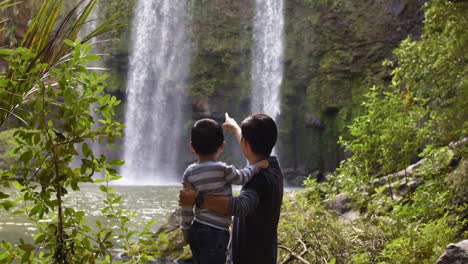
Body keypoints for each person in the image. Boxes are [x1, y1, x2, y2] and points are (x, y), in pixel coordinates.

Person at [180, 113, 284, 264]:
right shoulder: (270, 166)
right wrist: (236, 128)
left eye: (242, 139)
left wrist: (196, 198)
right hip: (260, 254)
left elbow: (240, 206)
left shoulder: (261, 179)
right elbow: (250, 149)